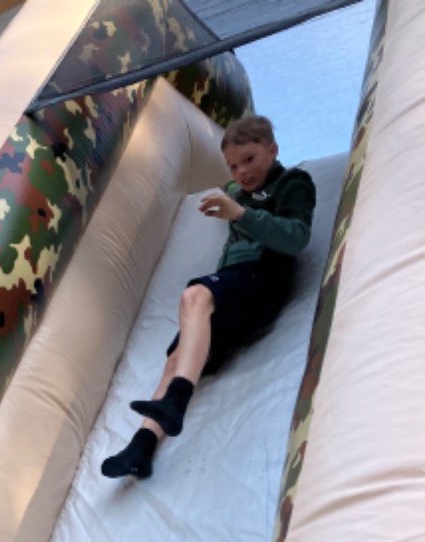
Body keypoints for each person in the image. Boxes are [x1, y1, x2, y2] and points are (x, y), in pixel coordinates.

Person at [101, 114, 317, 480]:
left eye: (249, 159)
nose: (242, 172)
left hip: (261, 275)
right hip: (235, 289)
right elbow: (223, 186)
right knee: (176, 358)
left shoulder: (291, 182)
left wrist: (241, 214)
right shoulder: (236, 190)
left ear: (273, 150)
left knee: (195, 295)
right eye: (233, 166)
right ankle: (142, 448)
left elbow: (296, 237)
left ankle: (178, 398)